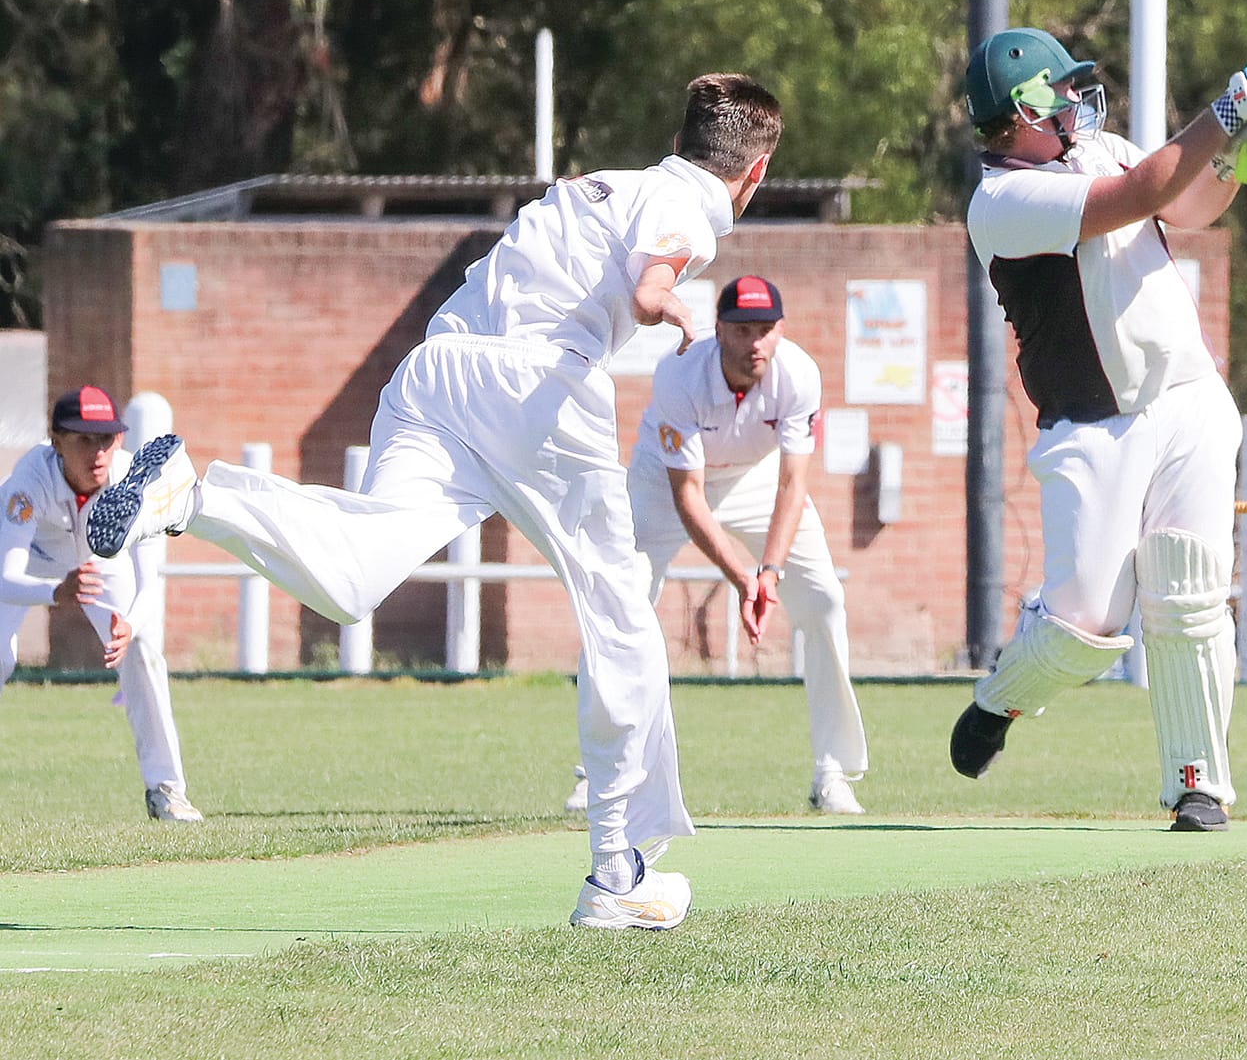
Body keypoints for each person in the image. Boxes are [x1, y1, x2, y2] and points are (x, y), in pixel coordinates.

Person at [86, 73, 783, 928]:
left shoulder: (601, 184)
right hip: (539, 383)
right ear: (753, 176)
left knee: (352, 576)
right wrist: (678, 310)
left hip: (435, 372)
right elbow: (649, 284)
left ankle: (190, 494)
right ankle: (615, 873)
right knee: (621, 618)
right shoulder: (688, 204)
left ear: (681, 135)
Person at [946, 26, 1247, 832]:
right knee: (1085, 625)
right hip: (1092, 426)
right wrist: (1228, 108)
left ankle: (1197, 783)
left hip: (1186, 395)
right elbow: (1135, 197)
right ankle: (1001, 700)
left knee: (1189, 583)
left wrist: (1238, 156)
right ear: (1025, 110)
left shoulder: (1101, 148)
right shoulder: (999, 202)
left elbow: (1186, 206)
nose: (1078, 100)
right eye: (1062, 91)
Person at [588, 272, 869, 817]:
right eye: (742, 330)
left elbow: (793, 483)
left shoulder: (799, 375)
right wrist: (742, 575)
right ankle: (600, 772)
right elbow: (687, 495)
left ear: (781, 330)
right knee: (623, 604)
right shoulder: (678, 374)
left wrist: (770, 571)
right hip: (663, 478)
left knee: (826, 601)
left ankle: (831, 773)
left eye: (766, 329)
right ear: (718, 330)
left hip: (757, 480)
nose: (754, 342)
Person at [0, 386, 201, 821]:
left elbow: (151, 579)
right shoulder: (28, 480)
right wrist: (55, 591)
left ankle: (167, 792)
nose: (97, 452)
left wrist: (130, 623)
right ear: (56, 442)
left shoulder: (133, 481)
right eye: (83, 439)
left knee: (144, 649)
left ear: (120, 441)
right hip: (32, 565)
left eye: (106, 439)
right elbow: (5, 578)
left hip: (96, 563)